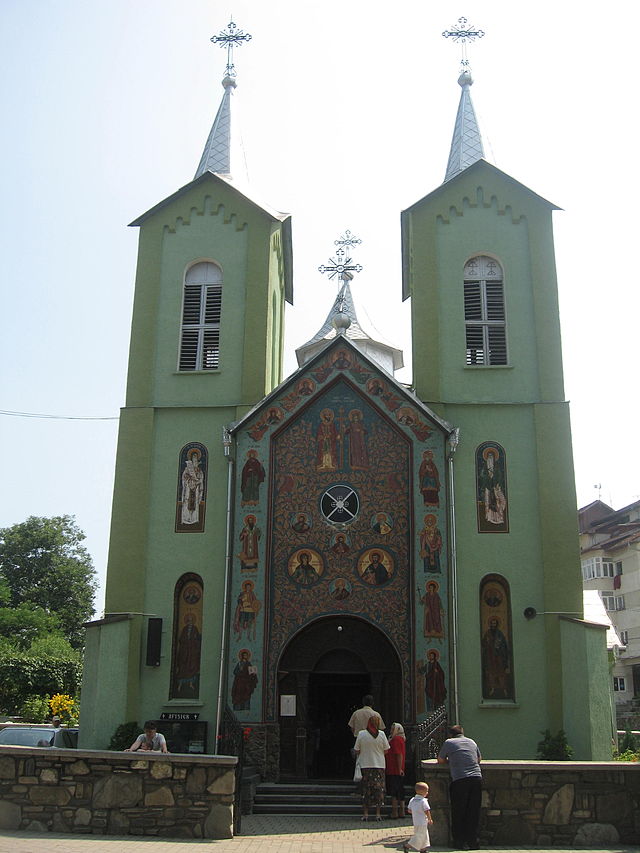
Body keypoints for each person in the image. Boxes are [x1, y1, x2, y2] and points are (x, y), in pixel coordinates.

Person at [437, 724, 482, 851]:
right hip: (476, 778)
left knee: (459, 811)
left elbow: (440, 760)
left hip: (460, 779)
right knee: (473, 811)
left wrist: (451, 761)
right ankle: (473, 842)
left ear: (451, 734)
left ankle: (459, 842)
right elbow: (478, 759)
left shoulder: (449, 742)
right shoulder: (471, 741)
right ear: (462, 732)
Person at [354, 715, 390, 821]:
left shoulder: (361, 734)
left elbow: (357, 749)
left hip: (365, 765)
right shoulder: (382, 735)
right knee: (378, 790)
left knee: (366, 790)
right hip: (379, 765)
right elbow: (386, 750)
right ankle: (378, 814)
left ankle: (365, 814)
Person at [404, 781, 433, 853]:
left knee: (423, 835)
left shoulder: (412, 800)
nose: (427, 793)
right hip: (422, 821)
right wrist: (430, 819)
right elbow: (427, 811)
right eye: (426, 791)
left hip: (416, 821)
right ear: (422, 792)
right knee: (419, 836)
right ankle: (408, 845)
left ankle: (423, 849)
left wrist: (416, 812)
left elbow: (409, 810)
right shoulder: (423, 801)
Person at [385, 722, 406, 819]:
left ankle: (395, 812)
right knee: (400, 790)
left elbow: (398, 754)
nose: (391, 730)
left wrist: (399, 769)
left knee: (395, 791)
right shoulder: (400, 739)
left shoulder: (396, 739)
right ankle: (401, 811)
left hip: (394, 769)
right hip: (396, 769)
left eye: (393, 729)